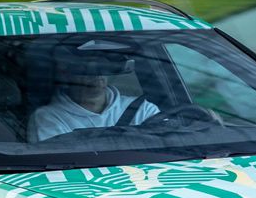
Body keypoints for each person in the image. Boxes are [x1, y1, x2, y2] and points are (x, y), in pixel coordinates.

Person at [28, 41, 159, 142]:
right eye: (85, 68)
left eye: (101, 67)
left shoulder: (142, 109)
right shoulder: (48, 118)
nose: (96, 75)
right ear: (65, 73)